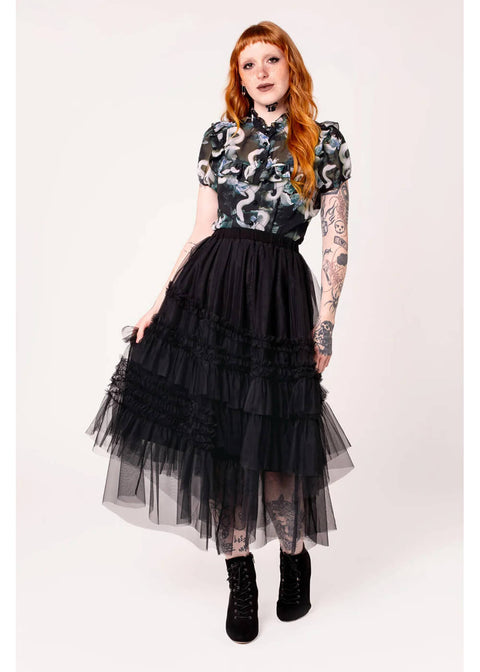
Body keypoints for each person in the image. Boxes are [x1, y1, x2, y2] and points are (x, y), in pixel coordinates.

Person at [85, 20, 354, 644]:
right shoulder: (219, 138)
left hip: (279, 300)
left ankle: (294, 560)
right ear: (239, 78)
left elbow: (336, 240)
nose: (260, 73)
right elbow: (200, 229)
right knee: (221, 441)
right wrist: (158, 304)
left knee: (277, 441)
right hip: (213, 293)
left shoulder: (326, 142)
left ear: (291, 66)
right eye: (247, 65)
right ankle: (241, 583)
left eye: (270, 60)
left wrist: (326, 322)